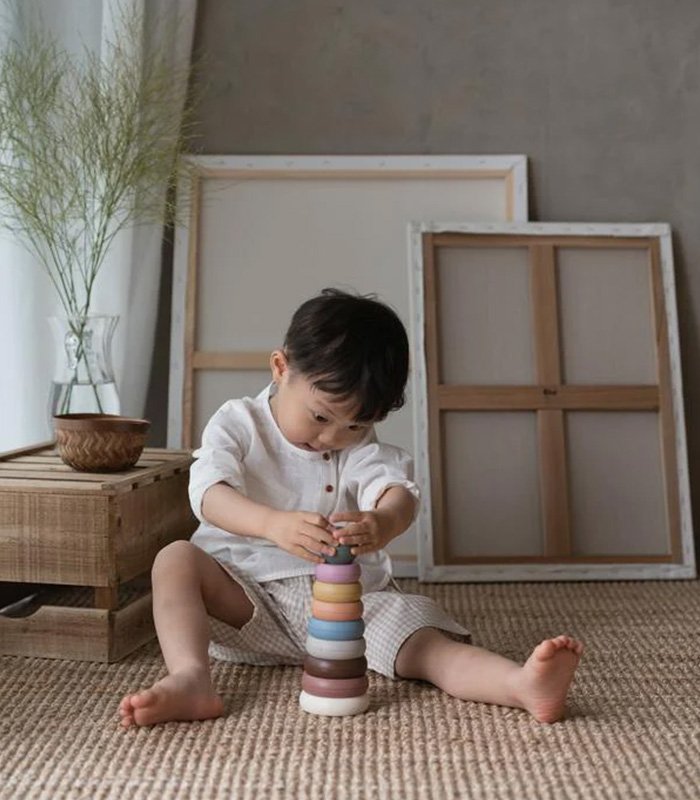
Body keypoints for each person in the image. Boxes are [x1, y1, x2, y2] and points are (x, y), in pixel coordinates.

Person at [119, 288, 583, 728]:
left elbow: (396, 490)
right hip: (246, 601)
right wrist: (270, 524)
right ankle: (191, 678)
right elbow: (208, 493)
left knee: (426, 649)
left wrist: (384, 521)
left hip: (349, 611)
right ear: (281, 368)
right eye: (320, 416)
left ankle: (519, 685)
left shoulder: (358, 444)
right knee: (174, 559)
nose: (331, 437)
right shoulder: (239, 422)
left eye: (355, 425)